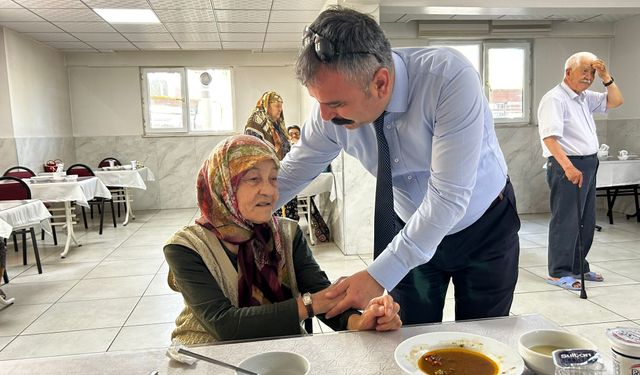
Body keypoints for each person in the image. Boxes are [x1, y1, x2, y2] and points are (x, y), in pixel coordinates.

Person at [276, 6, 520, 325]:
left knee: (483, 338)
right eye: (319, 102)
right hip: (410, 228)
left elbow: (448, 198)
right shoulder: (328, 115)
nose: (323, 116)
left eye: (335, 104)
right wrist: (226, 215)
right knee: (408, 336)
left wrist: (378, 275)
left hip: (483, 228)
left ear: (380, 82)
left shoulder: (448, 79)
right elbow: (293, 171)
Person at [163, 135, 401, 345]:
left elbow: (319, 291)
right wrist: (309, 305)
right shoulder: (187, 247)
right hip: (208, 353)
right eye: (254, 179)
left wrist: (360, 321)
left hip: (280, 348)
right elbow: (224, 325)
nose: (269, 191)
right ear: (223, 185)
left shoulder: (287, 234)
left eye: (274, 179)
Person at [538, 52, 623, 290]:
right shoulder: (555, 99)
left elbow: (615, 101)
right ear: (568, 73)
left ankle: (577, 266)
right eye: (584, 71)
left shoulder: (584, 97)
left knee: (585, 219)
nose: (589, 77)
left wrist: (607, 77)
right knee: (566, 220)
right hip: (568, 164)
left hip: (588, 163)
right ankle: (558, 271)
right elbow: (550, 138)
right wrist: (568, 167)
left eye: (593, 72)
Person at [245, 91, 299, 221]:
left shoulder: (277, 125)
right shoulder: (255, 124)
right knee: (274, 214)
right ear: (267, 105)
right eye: (277, 106)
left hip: (283, 171)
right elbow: (253, 153)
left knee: (288, 215)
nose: (280, 109)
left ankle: (287, 236)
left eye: (281, 106)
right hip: (266, 177)